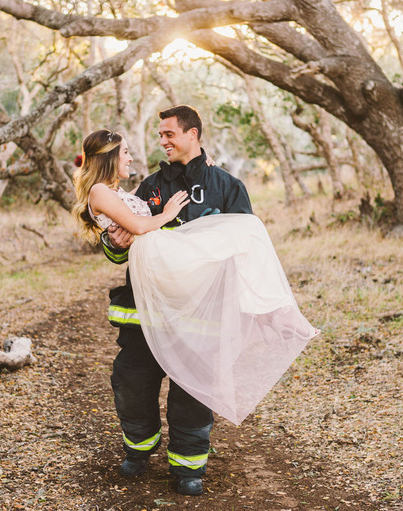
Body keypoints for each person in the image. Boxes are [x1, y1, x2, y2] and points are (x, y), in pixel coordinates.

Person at [72, 106, 316, 497]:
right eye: (160, 135)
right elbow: (122, 243)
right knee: (132, 383)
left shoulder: (227, 186)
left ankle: (188, 467)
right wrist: (113, 242)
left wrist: (259, 305)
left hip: (201, 318)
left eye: (169, 134)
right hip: (145, 314)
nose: (162, 141)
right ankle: (138, 450)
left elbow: (245, 250)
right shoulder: (148, 186)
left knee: (193, 393)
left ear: (193, 134)